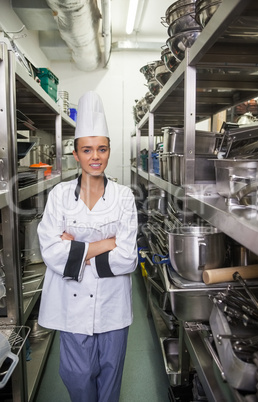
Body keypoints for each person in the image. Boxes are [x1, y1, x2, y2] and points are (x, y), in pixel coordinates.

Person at [37, 91, 138, 402]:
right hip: (70, 304)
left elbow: (127, 258)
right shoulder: (59, 196)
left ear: (109, 151)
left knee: (110, 376)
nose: (96, 157)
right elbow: (51, 251)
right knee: (77, 377)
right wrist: (105, 243)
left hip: (112, 305)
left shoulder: (124, 196)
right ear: (76, 154)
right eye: (88, 150)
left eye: (102, 149)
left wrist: (78, 247)